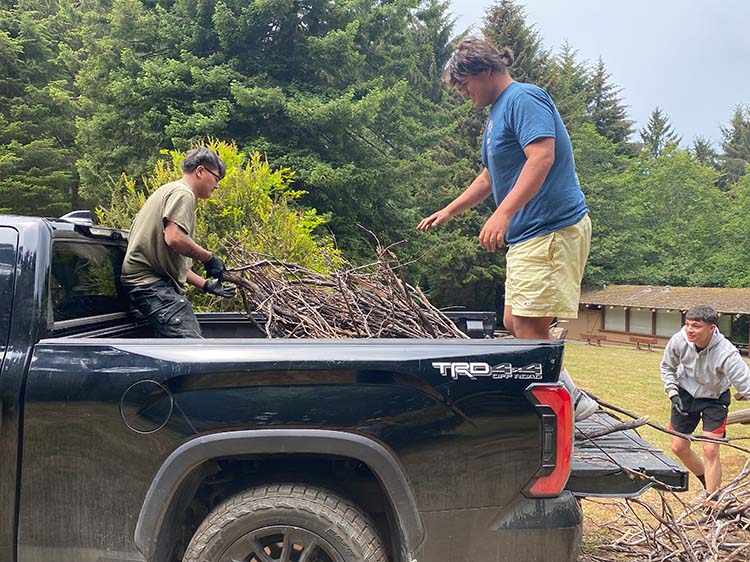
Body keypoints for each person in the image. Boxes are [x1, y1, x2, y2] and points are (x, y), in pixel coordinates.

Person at [417, 36, 597, 420]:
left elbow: (542, 157)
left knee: (529, 326)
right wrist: (449, 211)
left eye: (465, 84)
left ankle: (568, 406)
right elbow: (488, 177)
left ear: (484, 70)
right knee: (513, 321)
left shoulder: (524, 98)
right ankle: (567, 395)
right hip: (529, 232)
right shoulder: (497, 114)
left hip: (551, 226)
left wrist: (504, 213)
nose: (463, 92)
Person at [122, 147, 236, 338]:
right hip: (151, 286)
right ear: (200, 171)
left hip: (148, 285)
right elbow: (174, 238)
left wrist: (206, 285)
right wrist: (208, 258)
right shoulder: (184, 193)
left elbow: (173, 262)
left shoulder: (169, 190)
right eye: (216, 178)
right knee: (190, 348)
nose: (217, 186)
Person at [661, 305, 750, 495]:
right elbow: (667, 367)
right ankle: (706, 482)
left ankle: (712, 500)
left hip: (714, 399)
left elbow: (746, 385)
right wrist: (673, 393)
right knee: (679, 447)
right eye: (687, 324)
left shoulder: (727, 353)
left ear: (712, 328)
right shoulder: (679, 340)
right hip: (684, 393)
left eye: (696, 326)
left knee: (710, 450)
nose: (689, 330)